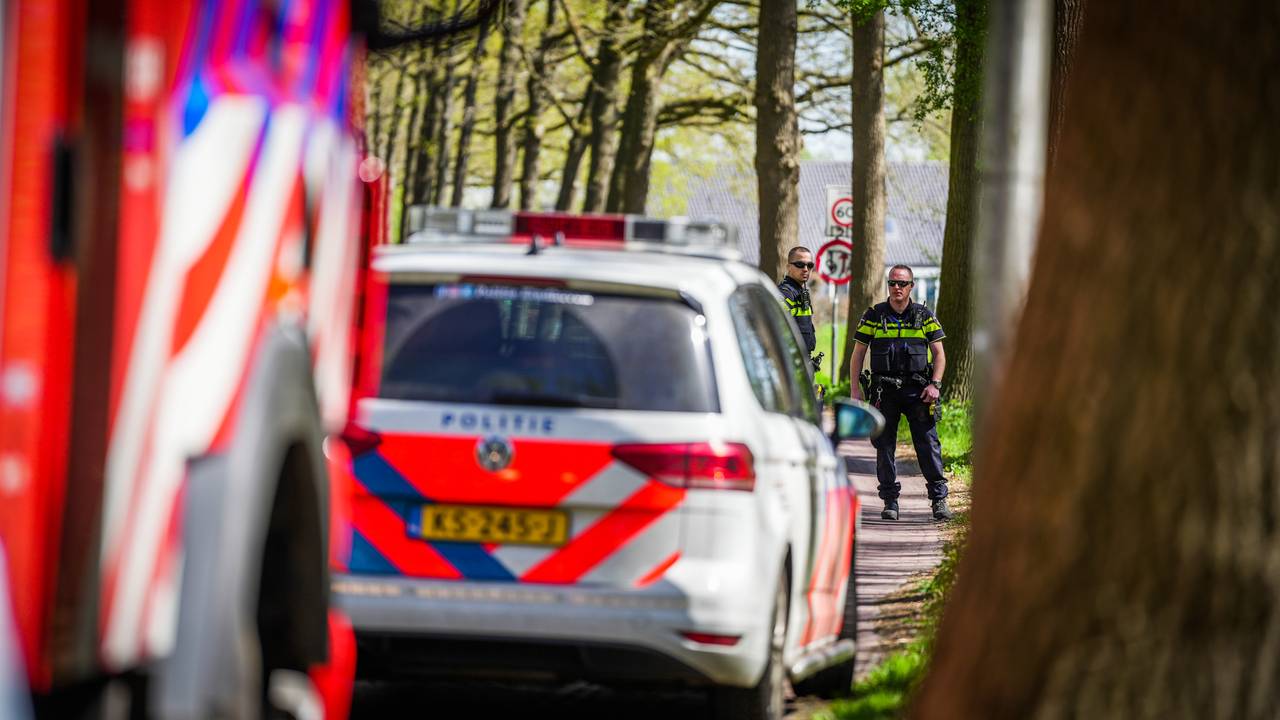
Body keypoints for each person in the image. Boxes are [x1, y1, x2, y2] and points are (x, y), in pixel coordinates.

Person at [849, 265, 952, 522]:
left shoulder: (924, 315)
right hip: (885, 392)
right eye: (893, 282)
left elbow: (940, 355)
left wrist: (935, 385)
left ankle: (939, 500)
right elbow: (858, 354)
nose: (897, 287)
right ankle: (890, 501)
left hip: (918, 392)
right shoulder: (874, 315)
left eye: (902, 283)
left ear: (911, 287)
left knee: (928, 445)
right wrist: (855, 391)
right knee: (884, 447)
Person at [778, 246, 818, 359]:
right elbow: (779, 331)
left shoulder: (800, 292)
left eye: (810, 265)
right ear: (788, 267)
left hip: (803, 361)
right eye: (800, 264)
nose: (806, 269)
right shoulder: (784, 294)